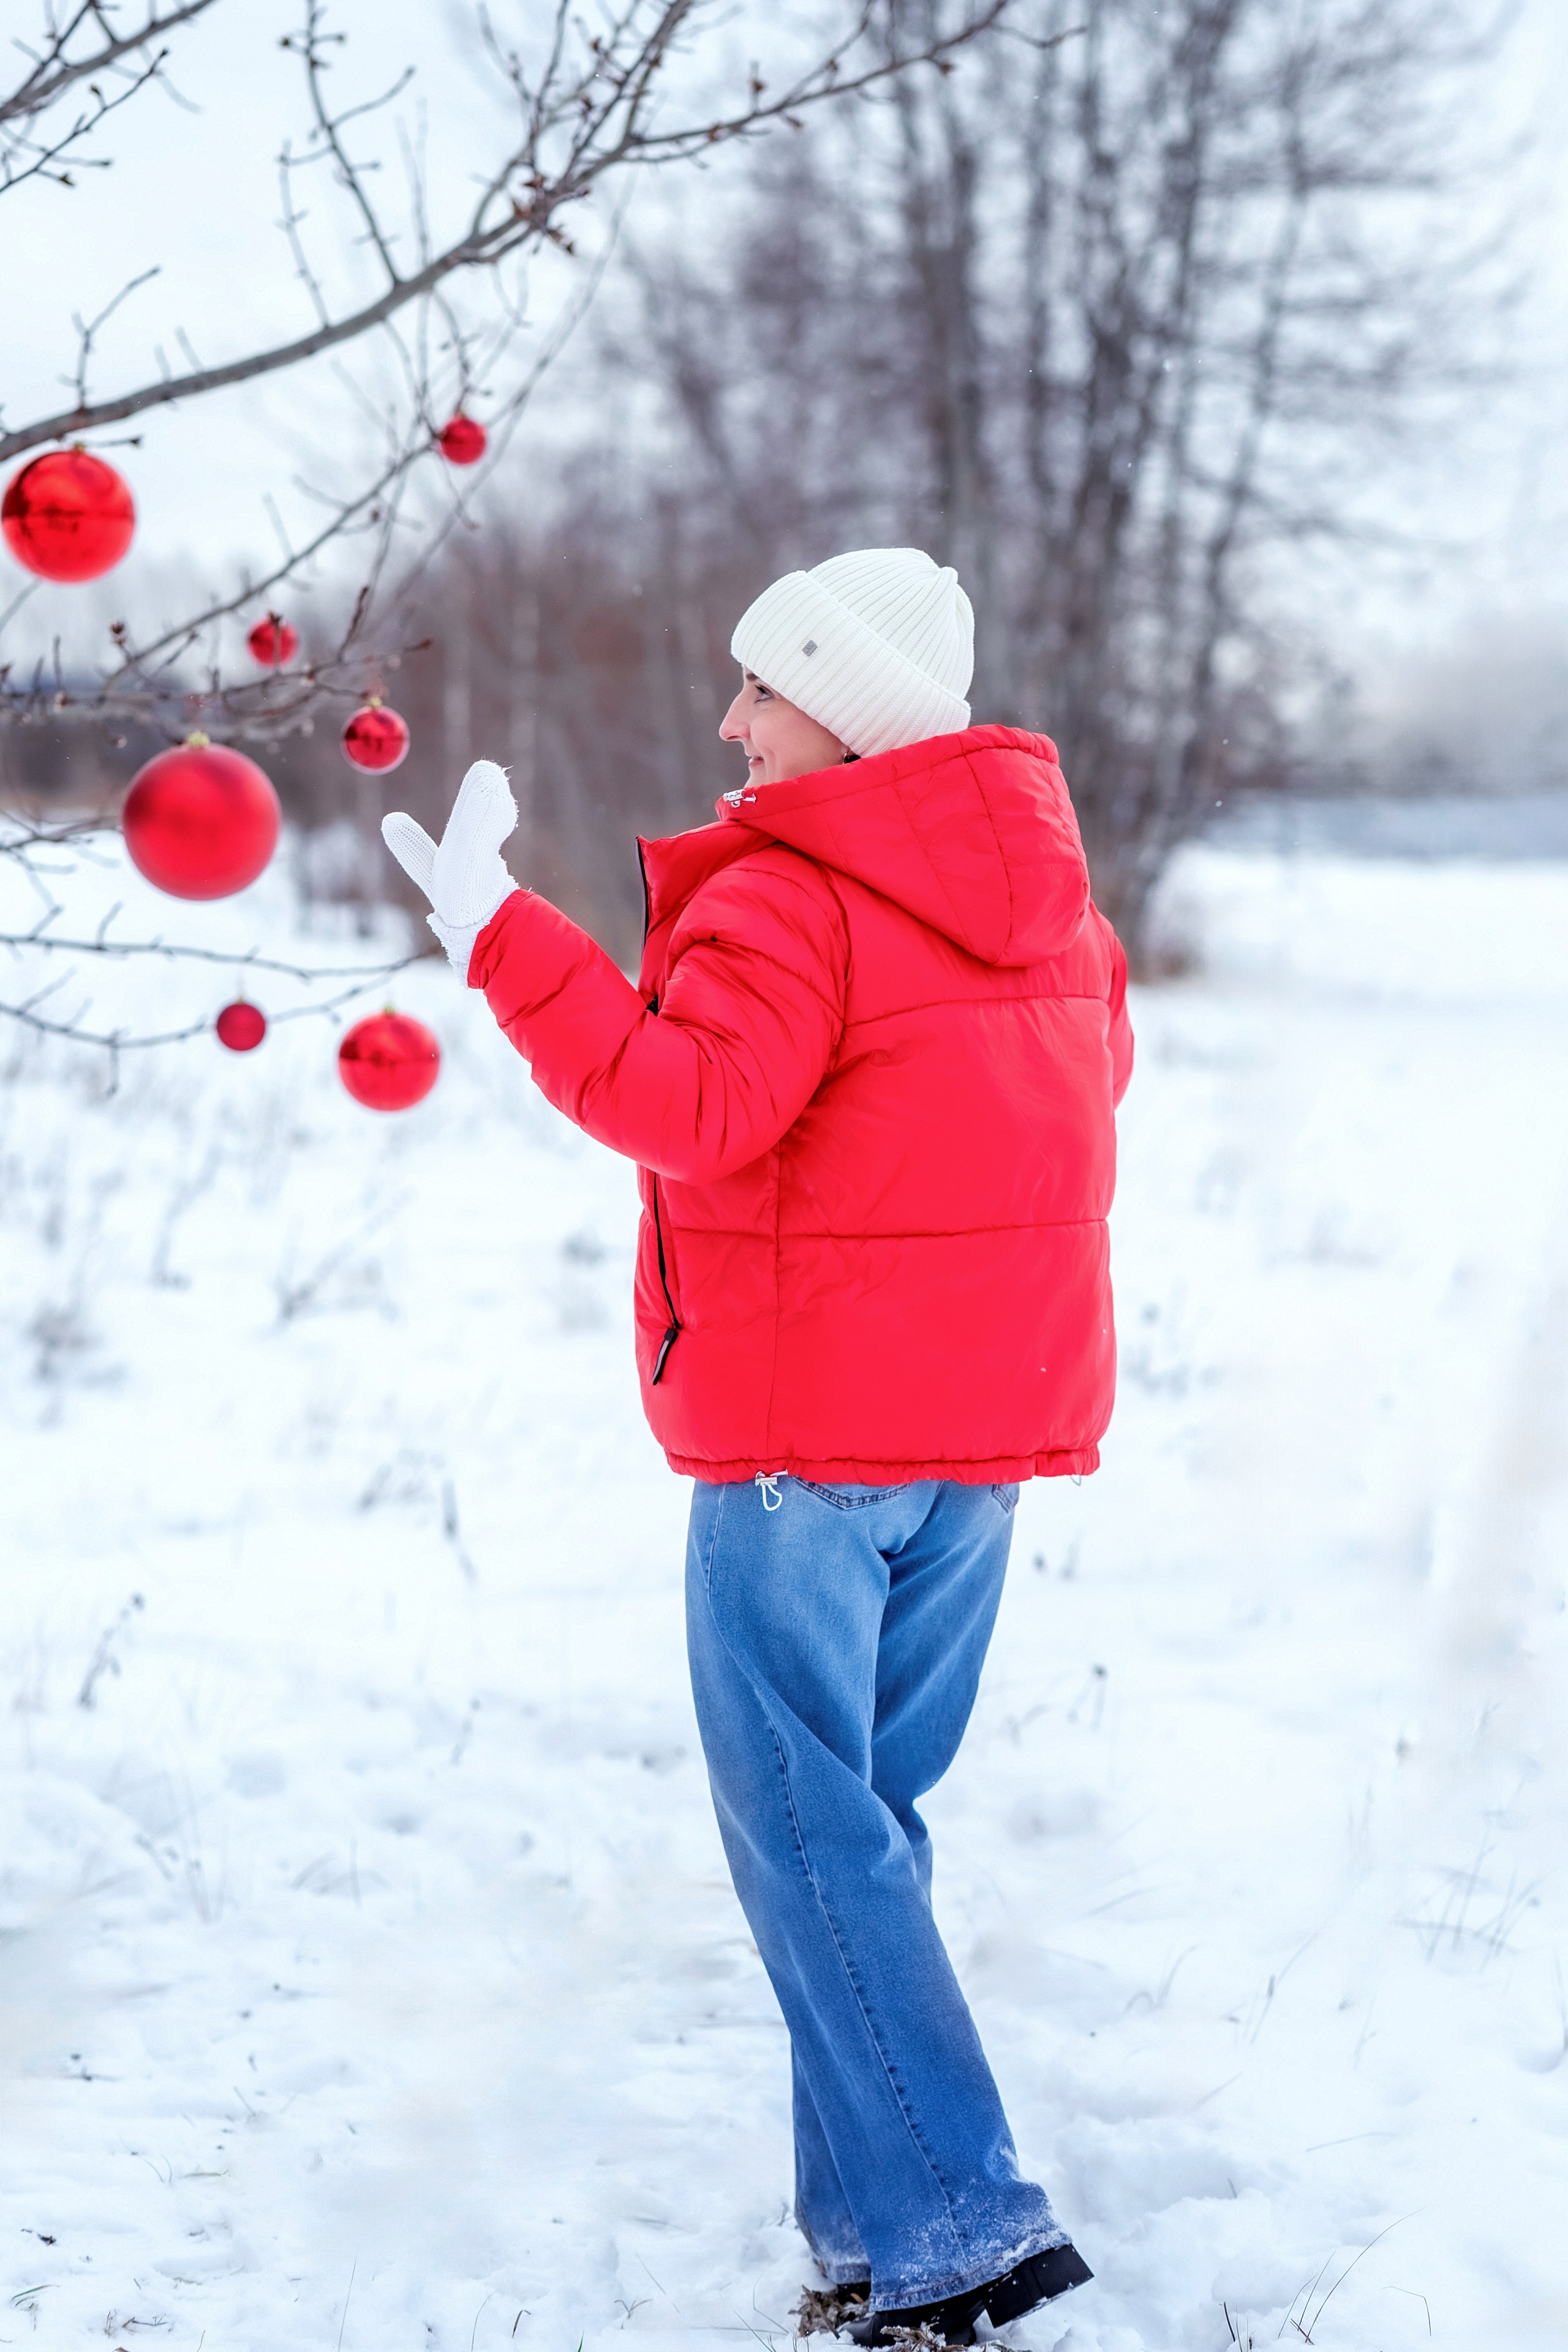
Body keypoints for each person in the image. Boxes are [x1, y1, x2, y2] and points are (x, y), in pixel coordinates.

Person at [383, 547, 1133, 2346]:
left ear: (849, 713)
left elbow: (690, 1107)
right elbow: (1067, 1114)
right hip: (982, 1447)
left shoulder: (794, 892)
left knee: (811, 1839)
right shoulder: (1056, 908)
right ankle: (870, 2238)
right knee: (861, 1829)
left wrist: (503, 935)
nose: (731, 721)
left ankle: (961, 2225)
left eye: (764, 690)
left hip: (807, 1449)